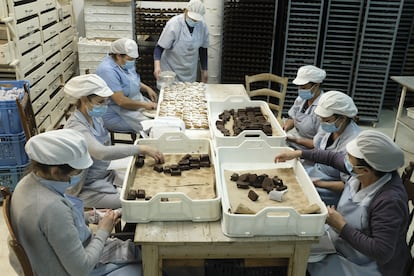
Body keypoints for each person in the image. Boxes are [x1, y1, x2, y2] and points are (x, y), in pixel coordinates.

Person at [275, 130, 411, 276]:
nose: (345, 159)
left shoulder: (389, 201)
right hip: (344, 242)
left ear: (365, 170)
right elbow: (332, 158)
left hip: (368, 265)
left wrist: (341, 226)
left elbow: (382, 251)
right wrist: (298, 154)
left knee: (297, 264)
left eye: (349, 158)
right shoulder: (366, 171)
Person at [10, 129, 142, 275]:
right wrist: (103, 231)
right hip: (69, 270)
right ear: (55, 171)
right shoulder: (51, 208)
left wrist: (91, 216)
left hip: (57, 258)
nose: (78, 176)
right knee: (147, 267)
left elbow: (56, 227)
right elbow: (81, 269)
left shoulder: (27, 183)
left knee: (136, 251)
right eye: (76, 172)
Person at [64, 74, 164, 209]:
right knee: (139, 204)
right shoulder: (76, 127)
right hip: (88, 188)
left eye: (106, 101)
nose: (104, 106)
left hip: (106, 174)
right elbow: (100, 153)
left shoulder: (95, 117)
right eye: (100, 102)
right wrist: (141, 149)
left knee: (146, 185)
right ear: (84, 100)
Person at [305, 90, 361, 206]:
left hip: (330, 188)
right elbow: (317, 147)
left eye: (326, 120)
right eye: (321, 118)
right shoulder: (330, 126)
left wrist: (319, 184)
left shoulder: (352, 144)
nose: (322, 122)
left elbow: (348, 185)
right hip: (316, 172)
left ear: (343, 118)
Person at [96, 38, 158, 133]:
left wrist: (147, 88)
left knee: (159, 117)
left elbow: (130, 80)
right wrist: (144, 105)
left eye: (133, 59)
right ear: (118, 56)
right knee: (153, 128)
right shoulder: (107, 70)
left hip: (134, 103)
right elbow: (120, 101)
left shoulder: (123, 64)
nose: (132, 62)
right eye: (130, 59)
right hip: (116, 112)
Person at [153, 0, 209, 83]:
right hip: (170, 71)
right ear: (186, 11)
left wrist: (204, 70)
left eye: (196, 20)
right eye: (192, 19)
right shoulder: (174, 24)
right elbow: (159, 47)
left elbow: (203, 49)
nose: (194, 21)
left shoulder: (202, 26)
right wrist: (157, 66)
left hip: (189, 71)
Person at [282, 65, 326, 149]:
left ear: (316, 85)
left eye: (304, 87)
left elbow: (318, 143)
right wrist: (285, 128)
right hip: (295, 143)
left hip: (311, 150)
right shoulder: (301, 99)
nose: (300, 90)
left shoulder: (324, 108)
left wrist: (296, 140)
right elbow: (292, 117)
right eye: (299, 87)